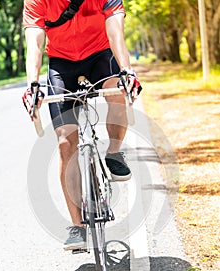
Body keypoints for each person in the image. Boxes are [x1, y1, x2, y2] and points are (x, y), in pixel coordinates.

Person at [22, 0, 142, 250]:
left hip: (100, 56)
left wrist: (127, 71)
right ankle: (77, 226)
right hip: (61, 65)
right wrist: (32, 84)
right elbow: (34, 40)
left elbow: (115, 30)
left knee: (117, 93)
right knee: (66, 143)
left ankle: (114, 153)